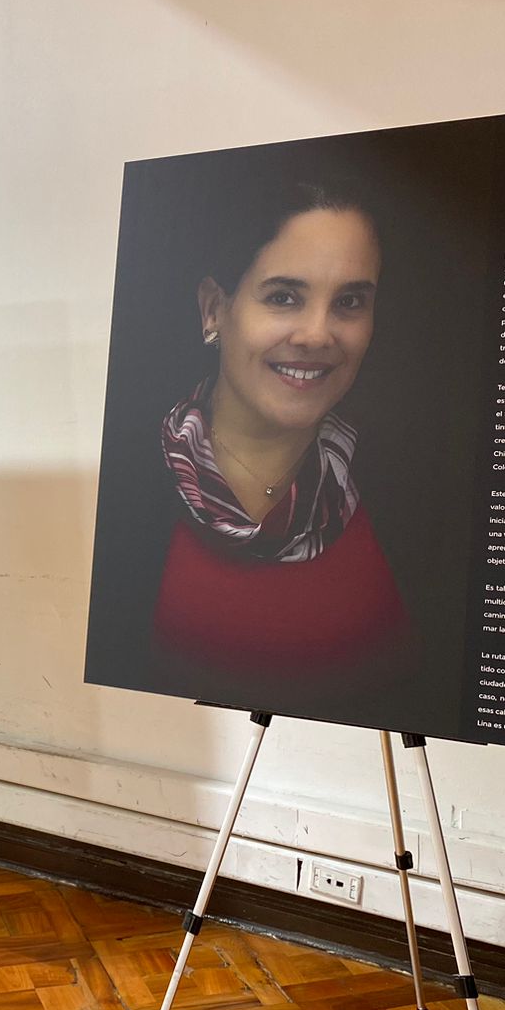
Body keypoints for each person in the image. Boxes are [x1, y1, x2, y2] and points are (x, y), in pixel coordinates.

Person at [151, 178, 410, 693]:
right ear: (213, 310)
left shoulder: (407, 492)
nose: (318, 334)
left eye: (350, 302)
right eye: (284, 296)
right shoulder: (128, 480)